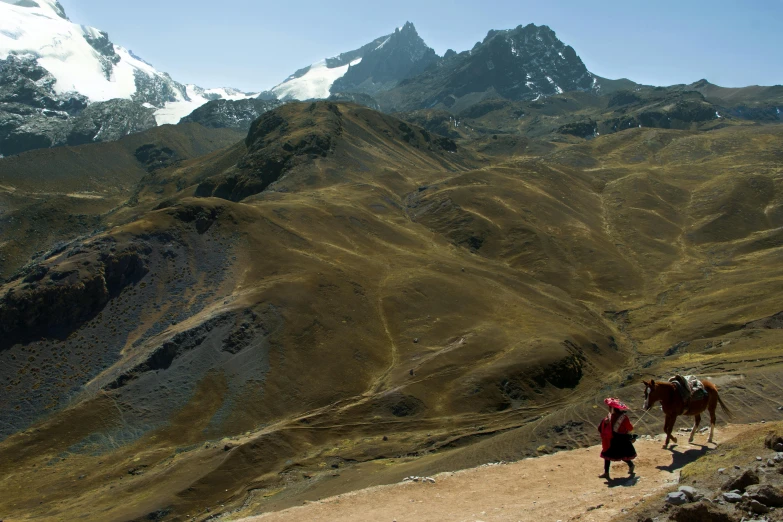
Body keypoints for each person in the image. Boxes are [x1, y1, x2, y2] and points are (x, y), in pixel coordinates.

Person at [597, 397, 637, 479]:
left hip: (620, 439)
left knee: (622, 455)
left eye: (610, 407)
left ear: (613, 408)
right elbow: (630, 428)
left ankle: (631, 465)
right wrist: (605, 422)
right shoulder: (612, 417)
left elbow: (629, 428)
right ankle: (606, 473)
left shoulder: (618, 417)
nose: (609, 408)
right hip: (612, 439)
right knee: (607, 455)